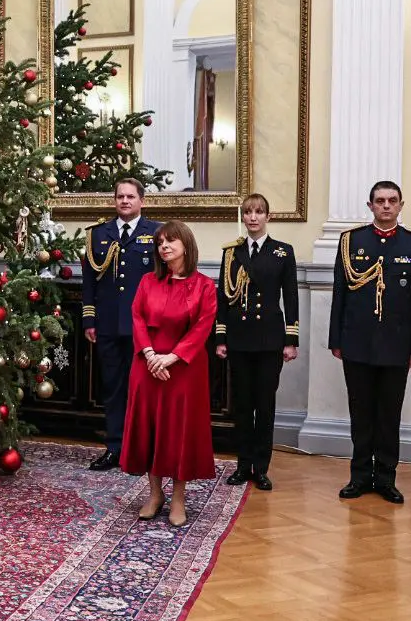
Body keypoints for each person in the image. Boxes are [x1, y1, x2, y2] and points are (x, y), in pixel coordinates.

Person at [330, 181, 411, 504]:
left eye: (392, 200)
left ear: (401, 205)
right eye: (380, 201)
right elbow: (340, 295)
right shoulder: (351, 242)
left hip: (396, 346)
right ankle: (360, 477)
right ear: (370, 206)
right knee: (360, 414)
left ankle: (386, 478)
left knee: (389, 416)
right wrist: (336, 340)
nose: (386, 206)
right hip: (357, 344)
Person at [121, 221, 218, 527]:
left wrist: (172, 358)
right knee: (149, 429)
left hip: (184, 369)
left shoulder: (204, 285)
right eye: (160, 242)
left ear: (186, 245)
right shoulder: (148, 281)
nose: (163, 246)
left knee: (179, 432)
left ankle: (178, 498)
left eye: (170, 241)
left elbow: (203, 326)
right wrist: (151, 356)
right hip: (147, 365)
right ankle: (154, 494)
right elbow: (137, 316)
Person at [215, 193, 299, 491]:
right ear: (243, 216)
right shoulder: (232, 253)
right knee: (242, 405)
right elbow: (223, 297)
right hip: (239, 338)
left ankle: (261, 468)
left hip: (269, 340)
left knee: (264, 405)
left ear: (268, 216)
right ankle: (242, 465)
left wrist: (291, 339)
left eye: (259, 212)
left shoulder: (282, 252)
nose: (253, 217)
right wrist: (221, 337)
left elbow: (291, 296)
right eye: (248, 212)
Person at [80, 177, 161, 471]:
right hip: (108, 326)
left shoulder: (157, 233)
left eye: (130, 197)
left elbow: (163, 281)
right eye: (120, 197)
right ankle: (115, 448)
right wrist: (89, 319)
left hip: (144, 328)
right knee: (113, 389)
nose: (125, 201)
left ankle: (142, 451)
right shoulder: (97, 234)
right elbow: (90, 281)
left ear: (142, 201)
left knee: (143, 391)